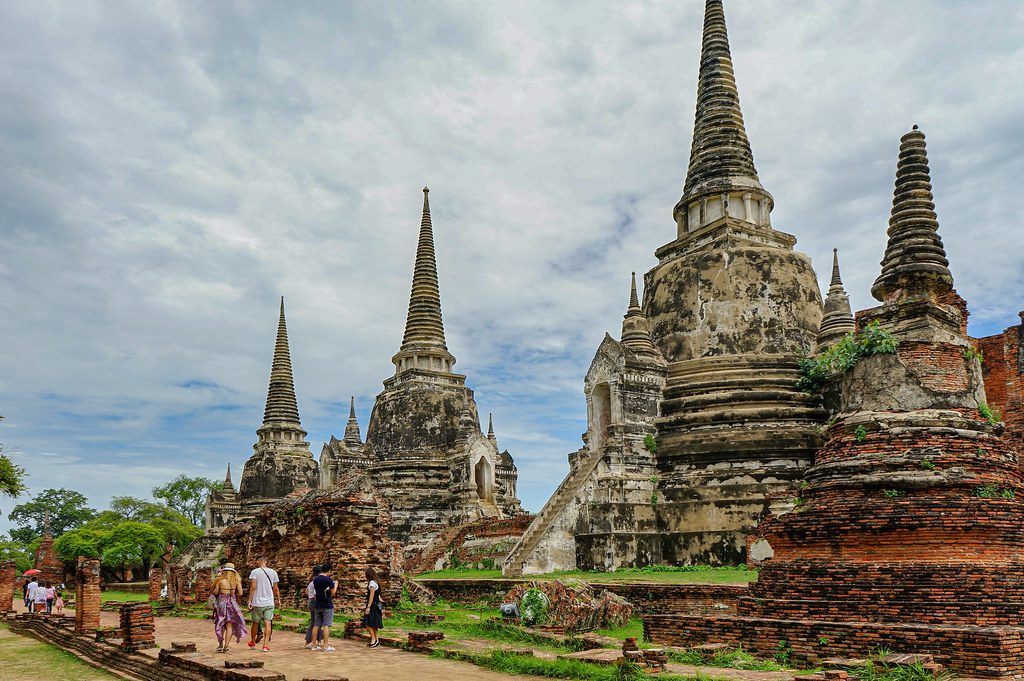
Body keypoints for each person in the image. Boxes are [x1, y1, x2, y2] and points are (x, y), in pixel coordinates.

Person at [211, 562, 247, 653]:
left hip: (222, 603)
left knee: (220, 623)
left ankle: (220, 644)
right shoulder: (236, 581)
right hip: (232, 603)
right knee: (229, 624)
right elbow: (241, 593)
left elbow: (215, 593)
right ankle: (226, 646)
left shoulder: (219, 580)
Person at [247, 555, 280, 652]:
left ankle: (253, 642)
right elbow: (275, 588)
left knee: (255, 623)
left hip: (258, 602)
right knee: (268, 623)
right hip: (269, 602)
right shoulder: (273, 572)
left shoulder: (255, 572)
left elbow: (253, 587)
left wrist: (250, 600)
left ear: (258, 562)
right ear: (266, 561)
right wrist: (278, 599)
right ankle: (265, 645)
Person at [311, 563, 337, 652]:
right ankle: (325, 646)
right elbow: (333, 593)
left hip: (318, 604)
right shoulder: (329, 579)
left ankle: (314, 645)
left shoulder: (315, 579)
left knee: (316, 625)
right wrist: (335, 585)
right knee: (326, 625)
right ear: (329, 571)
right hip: (327, 604)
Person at [362, 567, 384, 648]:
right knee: (374, 623)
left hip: (372, 605)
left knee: (368, 622)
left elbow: (371, 595)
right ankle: (376, 640)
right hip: (375, 605)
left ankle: (373, 638)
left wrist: (368, 607)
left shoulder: (371, 583)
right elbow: (377, 594)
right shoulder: (376, 582)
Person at [303, 565, 324, 649]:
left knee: (317, 622)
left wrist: (310, 596)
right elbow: (316, 594)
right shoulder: (316, 581)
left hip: (311, 601)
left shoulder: (311, 580)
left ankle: (318, 640)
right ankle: (308, 641)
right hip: (315, 602)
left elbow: (306, 591)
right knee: (315, 623)